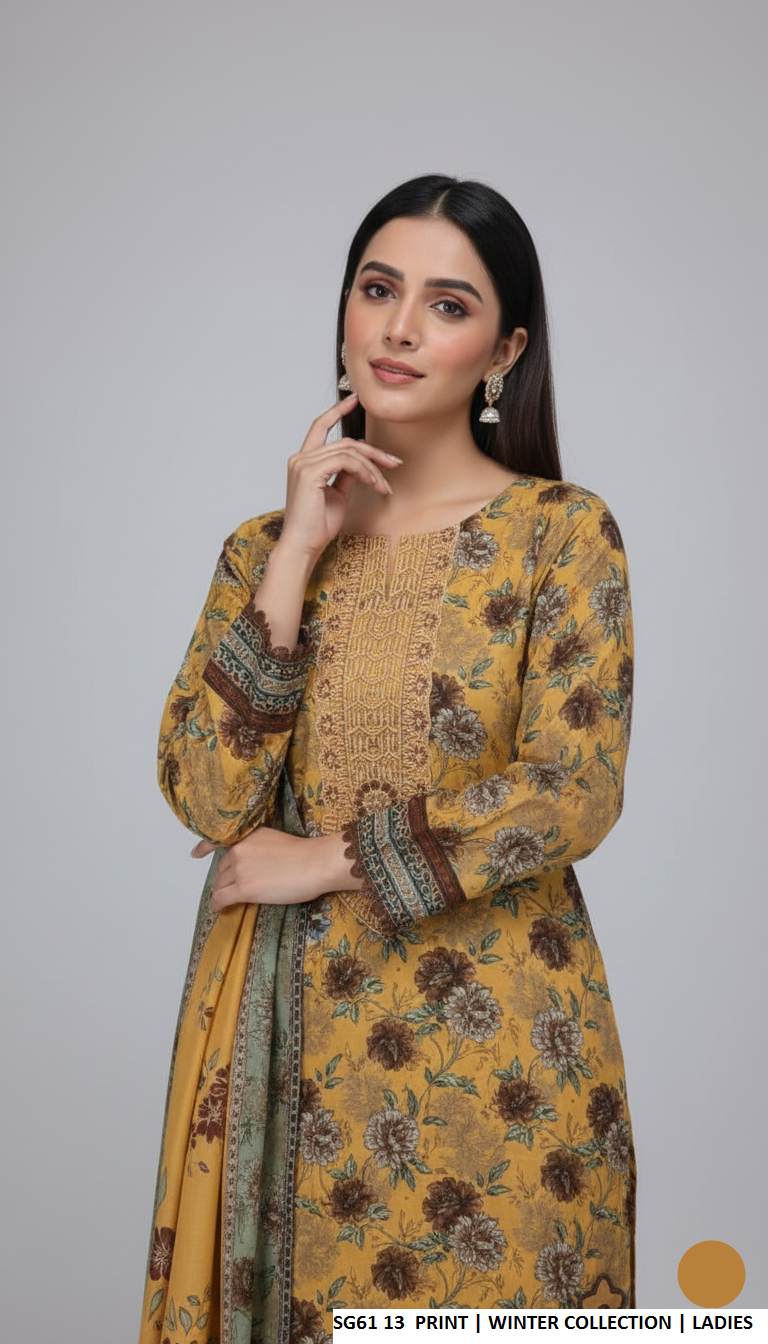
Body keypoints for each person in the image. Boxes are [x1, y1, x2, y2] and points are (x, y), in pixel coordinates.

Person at [138, 174, 636, 1344]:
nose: (400, 328)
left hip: (499, 1061)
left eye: (447, 305)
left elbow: (573, 788)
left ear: (504, 352)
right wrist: (296, 556)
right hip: (286, 1050)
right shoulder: (261, 550)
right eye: (378, 290)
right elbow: (208, 797)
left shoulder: (560, 533)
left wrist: (323, 860)